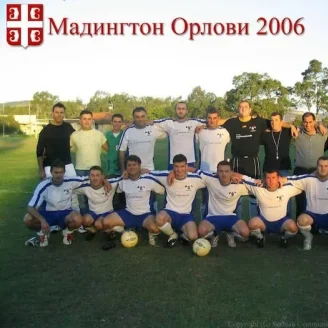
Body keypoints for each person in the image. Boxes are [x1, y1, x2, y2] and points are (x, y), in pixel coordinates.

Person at [217, 101, 297, 220]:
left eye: (245, 107)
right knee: (235, 192)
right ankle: (235, 222)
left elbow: (276, 122)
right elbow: (217, 122)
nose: (243, 109)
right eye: (240, 107)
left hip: (253, 161)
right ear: (238, 109)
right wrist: (202, 125)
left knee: (254, 193)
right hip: (237, 161)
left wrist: (291, 126)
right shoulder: (232, 122)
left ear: (250, 109)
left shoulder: (259, 122)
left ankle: (254, 224)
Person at [102, 155, 165, 247]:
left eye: (134, 165)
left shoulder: (148, 180)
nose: (132, 167)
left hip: (145, 214)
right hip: (129, 213)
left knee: (155, 229)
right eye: (129, 165)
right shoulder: (123, 181)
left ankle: (151, 235)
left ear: (139, 166)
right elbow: (117, 188)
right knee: (105, 222)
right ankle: (126, 232)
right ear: (126, 168)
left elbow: (162, 191)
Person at [23, 160, 86, 247]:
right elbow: (30, 207)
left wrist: (104, 181)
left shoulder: (70, 181)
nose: (58, 175)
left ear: (64, 172)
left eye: (61, 172)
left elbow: (88, 178)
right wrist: (42, 220)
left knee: (78, 219)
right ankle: (42, 233)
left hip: (65, 213)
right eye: (56, 172)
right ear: (51, 172)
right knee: (27, 219)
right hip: (48, 214)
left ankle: (67, 232)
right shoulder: (43, 185)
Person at [233, 170, 301, 248]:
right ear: (264, 179)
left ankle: (284, 238)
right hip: (264, 222)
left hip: (281, 222)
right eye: (268, 178)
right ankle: (260, 237)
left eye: (273, 177)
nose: (271, 180)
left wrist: (286, 179)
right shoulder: (258, 187)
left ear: (278, 178)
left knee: (293, 227)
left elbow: (302, 182)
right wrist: (231, 174)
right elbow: (243, 177)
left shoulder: (287, 188)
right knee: (252, 223)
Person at [150, 154, 206, 247]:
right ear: (173, 167)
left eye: (182, 166)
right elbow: (149, 173)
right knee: (159, 219)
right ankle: (172, 234)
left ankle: (182, 235)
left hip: (186, 215)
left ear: (187, 166)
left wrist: (232, 175)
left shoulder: (196, 179)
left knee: (193, 236)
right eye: (176, 166)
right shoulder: (165, 176)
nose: (179, 170)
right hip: (169, 212)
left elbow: (212, 177)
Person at [196, 161, 249, 248]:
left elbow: (253, 184)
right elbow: (195, 170)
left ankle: (230, 233)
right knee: (201, 231)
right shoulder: (210, 179)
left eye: (226, 171)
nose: (223, 174)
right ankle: (214, 235)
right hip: (213, 217)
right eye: (221, 171)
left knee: (245, 233)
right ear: (217, 172)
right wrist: (172, 173)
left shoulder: (239, 184)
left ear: (231, 172)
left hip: (231, 217)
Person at [282, 156, 328, 250]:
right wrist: (280, 179)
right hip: (312, 215)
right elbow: (292, 178)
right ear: (317, 166)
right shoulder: (308, 178)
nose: (323, 168)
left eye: (326, 166)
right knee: (301, 220)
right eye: (320, 166)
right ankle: (308, 237)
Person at [70, 109, 108, 215]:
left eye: (89, 119)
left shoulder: (99, 134)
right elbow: (65, 149)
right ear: (80, 121)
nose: (87, 121)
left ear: (92, 120)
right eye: (84, 119)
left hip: (95, 172)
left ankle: (93, 218)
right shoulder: (74, 135)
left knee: (94, 197)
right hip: (80, 171)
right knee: (81, 198)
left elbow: (109, 150)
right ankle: (82, 221)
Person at [196, 107, 230, 218]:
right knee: (205, 201)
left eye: (214, 118)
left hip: (220, 173)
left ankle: (220, 225)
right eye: (209, 118)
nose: (212, 120)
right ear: (206, 119)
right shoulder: (200, 132)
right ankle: (204, 224)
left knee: (221, 201)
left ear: (218, 119)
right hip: (204, 172)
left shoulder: (224, 132)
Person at [293, 112, 328, 217]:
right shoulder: (297, 134)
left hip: (316, 172)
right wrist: (292, 126)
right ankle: (299, 224)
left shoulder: (323, 134)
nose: (308, 125)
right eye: (305, 122)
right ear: (302, 122)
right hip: (300, 170)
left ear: (314, 121)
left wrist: (320, 124)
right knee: (300, 199)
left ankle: (315, 225)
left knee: (315, 200)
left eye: (310, 122)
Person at [74, 166, 121, 240]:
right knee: (85, 220)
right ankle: (93, 230)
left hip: (107, 212)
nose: (95, 178)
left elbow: (123, 178)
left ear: (102, 176)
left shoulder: (111, 183)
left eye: (97, 175)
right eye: (92, 175)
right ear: (89, 177)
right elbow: (70, 188)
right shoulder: (85, 186)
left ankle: (111, 230)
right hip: (93, 212)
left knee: (98, 224)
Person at [153, 102, 206, 169]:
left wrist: (202, 127)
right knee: (173, 179)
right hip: (173, 161)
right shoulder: (169, 123)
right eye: (179, 109)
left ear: (187, 111)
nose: (181, 111)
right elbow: (152, 123)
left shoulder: (193, 122)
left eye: (183, 109)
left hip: (190, 161)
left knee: (191, 179)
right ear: (175, 110)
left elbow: (211, 122)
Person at [261, 112, 293, 216]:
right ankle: (268, 219)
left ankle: (287, 219)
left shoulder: (288, 132)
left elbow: (299, 127)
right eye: (271, 120)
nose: (273, 123)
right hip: (269, 169)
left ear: (281, 122)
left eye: (276, 120)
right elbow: (260, 122)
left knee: (286, 195)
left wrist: (291, 125)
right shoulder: (265, 134)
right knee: (267, 196)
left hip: (284, 168)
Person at [36, 102, 76, 179]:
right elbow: (39, 153)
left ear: (64, 114)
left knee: (72, 187)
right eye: (57, 112)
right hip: (50, 166)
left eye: (61, 112)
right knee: (52, 190)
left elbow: (77, 137)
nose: (59, 115)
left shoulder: (68, 127)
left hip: (67, 164)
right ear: (52, 113)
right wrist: (41, 170)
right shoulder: (45, 131)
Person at [105, 114, 124, 178]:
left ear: (122, 123)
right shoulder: (107, 135)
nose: (117, 124)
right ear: (111, 122)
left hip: (122, 167)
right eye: (115, 121)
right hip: (110, 168)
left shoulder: (125, 134)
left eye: (119, 122)